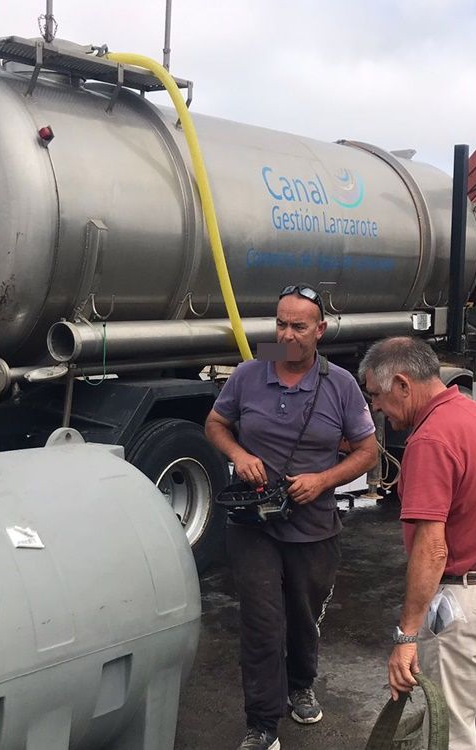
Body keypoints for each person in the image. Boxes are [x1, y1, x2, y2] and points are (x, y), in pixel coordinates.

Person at [205, 284, 378, 750]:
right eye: (280, 323)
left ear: (319, 330)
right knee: (262, 622)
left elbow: (367, 451)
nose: (287, 334)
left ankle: (301, 683)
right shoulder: (248, 373)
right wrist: (239, 454)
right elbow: (215, 424)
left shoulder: (340, 383)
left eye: (299, 326)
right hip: (254, 526)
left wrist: (323, 481)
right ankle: (261, 724)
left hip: (314, 526)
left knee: (302, 619)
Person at [359, 336, 476, 750]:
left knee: (448, 734)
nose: (376, 408)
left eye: (377, 395)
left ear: (403, 384)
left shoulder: (430, 440)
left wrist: (406, 637)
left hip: (472, 607)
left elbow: (432, 548)